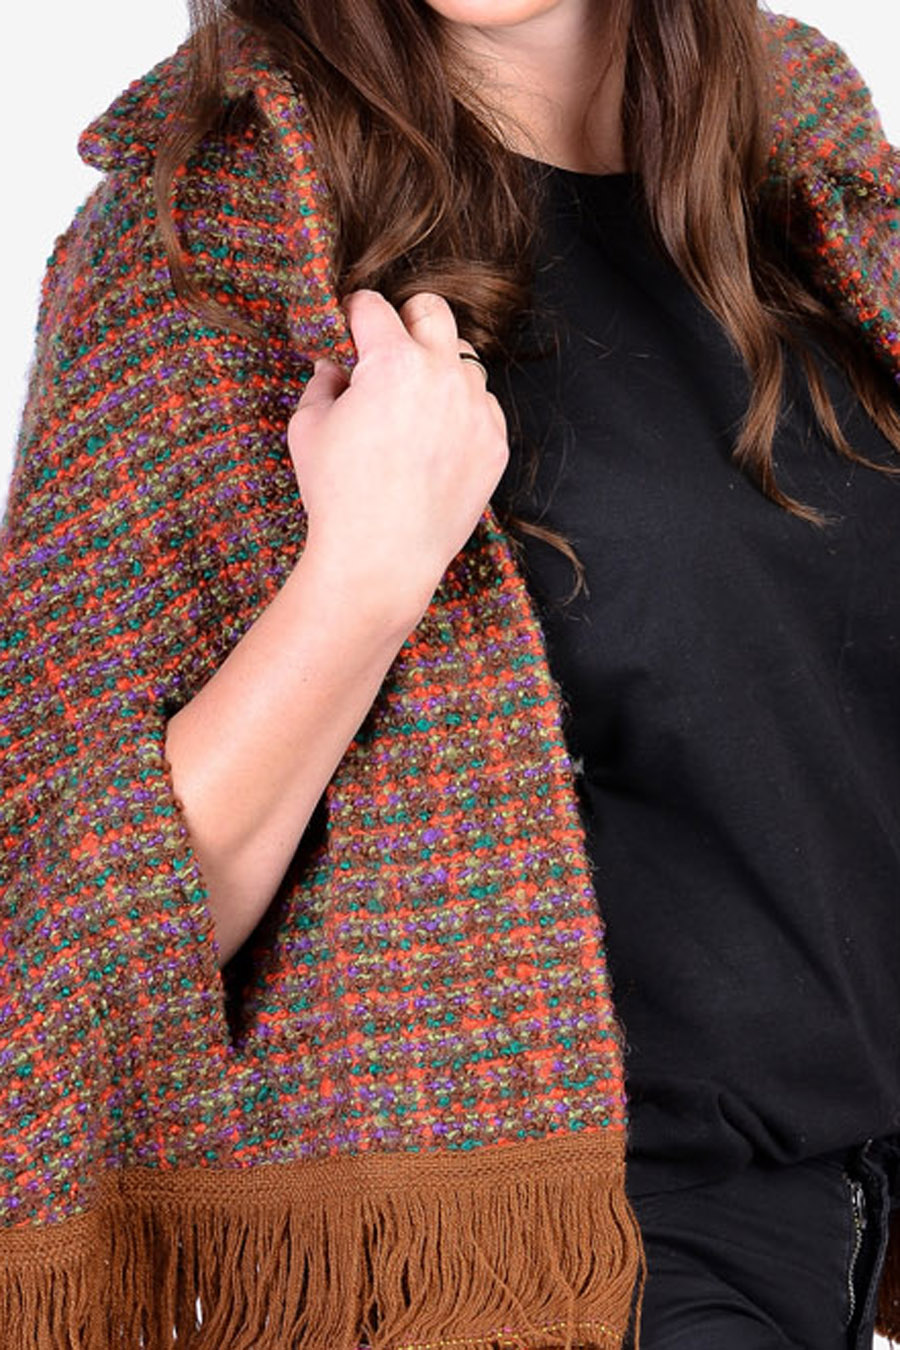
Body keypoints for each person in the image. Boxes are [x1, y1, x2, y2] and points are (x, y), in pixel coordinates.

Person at [2, 0, 900, 1346]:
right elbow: (69, 920)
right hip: (525, 1263)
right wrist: (362, 576)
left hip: (822, 1224)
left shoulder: (807, 153)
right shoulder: (207, 231)